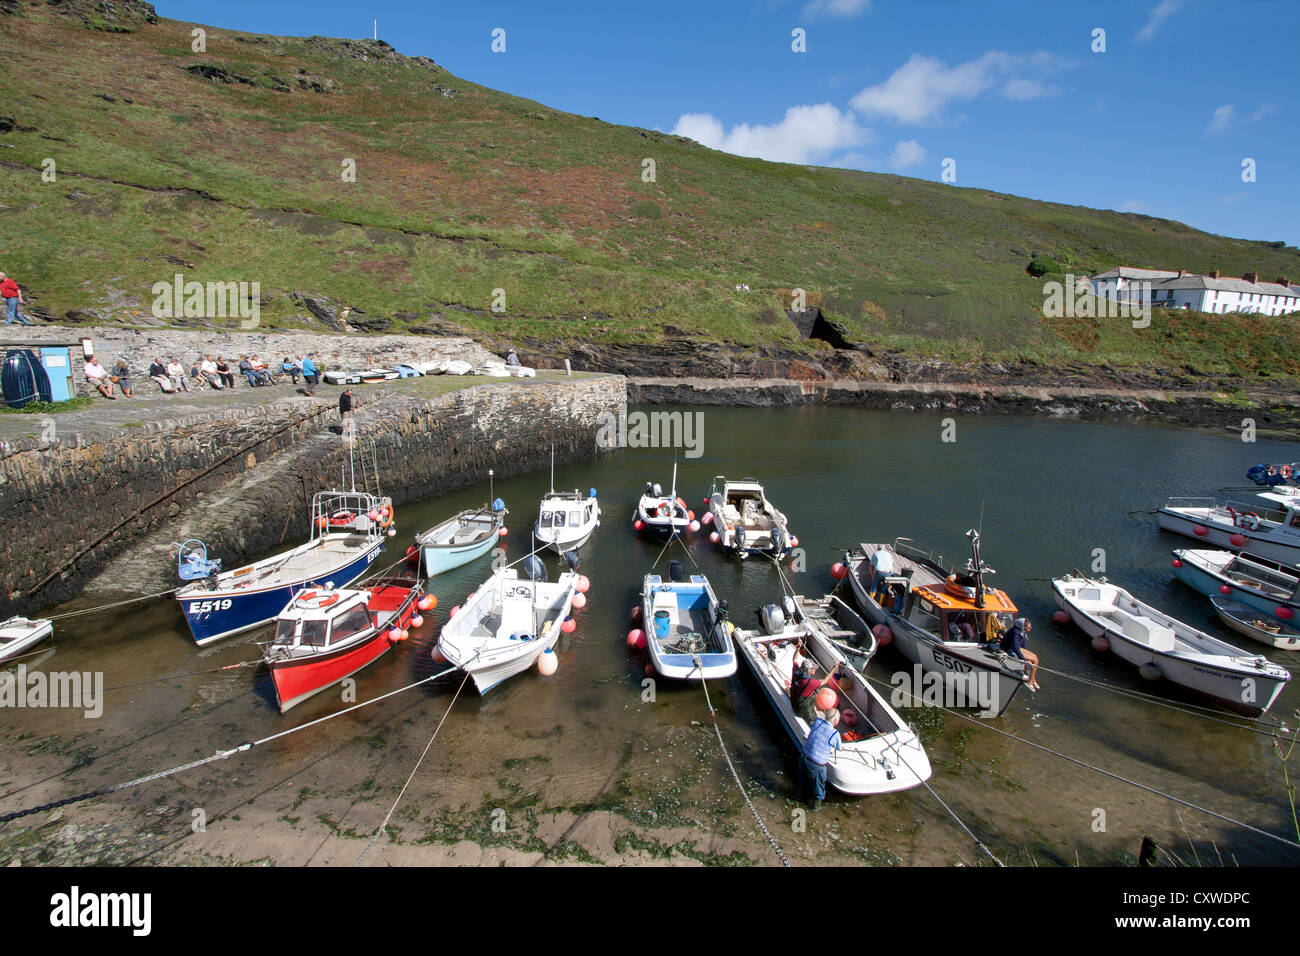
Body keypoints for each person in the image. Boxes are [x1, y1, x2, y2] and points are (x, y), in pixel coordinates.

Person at [801, 708, 841, 810]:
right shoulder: (835, 734)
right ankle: (815, 807)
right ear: (835, 721)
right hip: (816, 764)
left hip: (804, 756)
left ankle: (801, 796)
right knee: (818, 787)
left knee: (803, 780)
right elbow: (839, 747)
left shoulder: (817, 722)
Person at [1000, 617, 1040, 691]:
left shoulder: (1021, 632)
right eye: (1029, 627)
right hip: (1009, 649)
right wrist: (1023, 659)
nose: (1030, 628)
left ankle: (1032, 678)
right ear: (1023, 626)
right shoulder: (1015, 632)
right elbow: (1015, 647)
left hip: (1015, 648)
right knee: (1035, 660)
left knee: (1035, 657)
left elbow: (1023, 645)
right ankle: (1030, 682)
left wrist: (1027, 656)